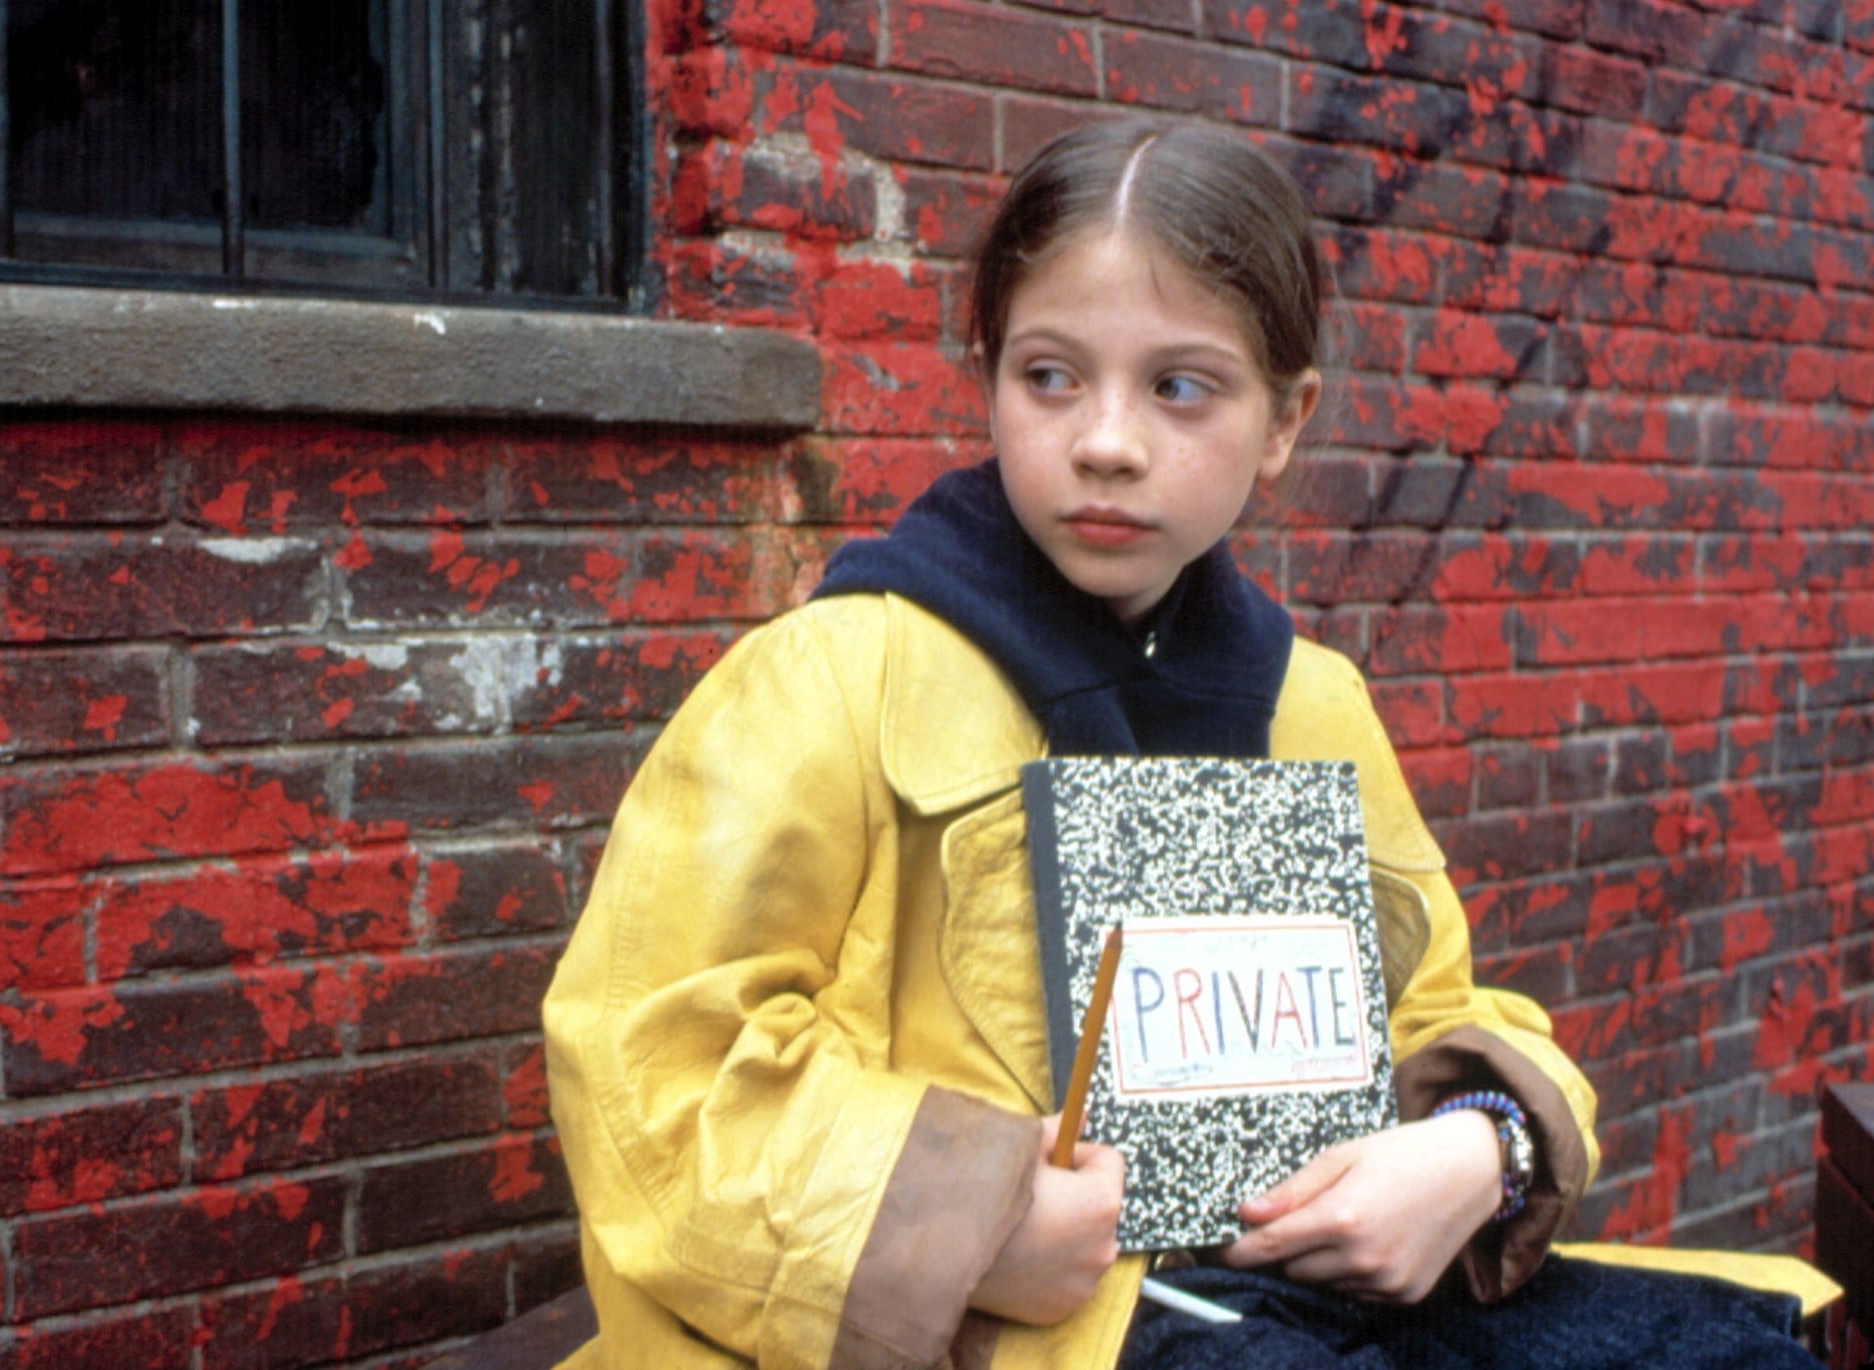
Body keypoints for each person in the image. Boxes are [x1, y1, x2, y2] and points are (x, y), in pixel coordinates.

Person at [541, 120, 1813, 1368]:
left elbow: (1434, 1004)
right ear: (986, 374)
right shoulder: (833, 678)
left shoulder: (1310, 707)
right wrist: (970, 1222)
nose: (1104, 438)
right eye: (1049, 375)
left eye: (1179, 385)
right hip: (1014, 1335)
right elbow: (647, 1059)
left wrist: (1477, 1147)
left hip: (1295, 1292)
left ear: (1282, 418)